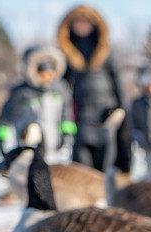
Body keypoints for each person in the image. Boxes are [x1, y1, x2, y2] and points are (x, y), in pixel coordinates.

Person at [57, 5, 132, 172]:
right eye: (78, 22)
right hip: (81, 116)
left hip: (106, 114)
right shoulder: (66, 55)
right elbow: (62, 87)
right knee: (83, 166)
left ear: (94, 25)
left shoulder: (106, 52)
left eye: (86, 22)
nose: (82, 26)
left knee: (107, 164)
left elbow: (118, 83)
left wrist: (123, 111)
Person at [0, 46, 74, 163]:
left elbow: (66, 115)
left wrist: (67, 135)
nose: (48, 77)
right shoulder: (21, 92)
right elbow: (7, 117)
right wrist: (2, 139)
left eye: (50, 73)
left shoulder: (61, 89)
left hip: (54, 146)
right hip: (27, 145)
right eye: (44, 74)